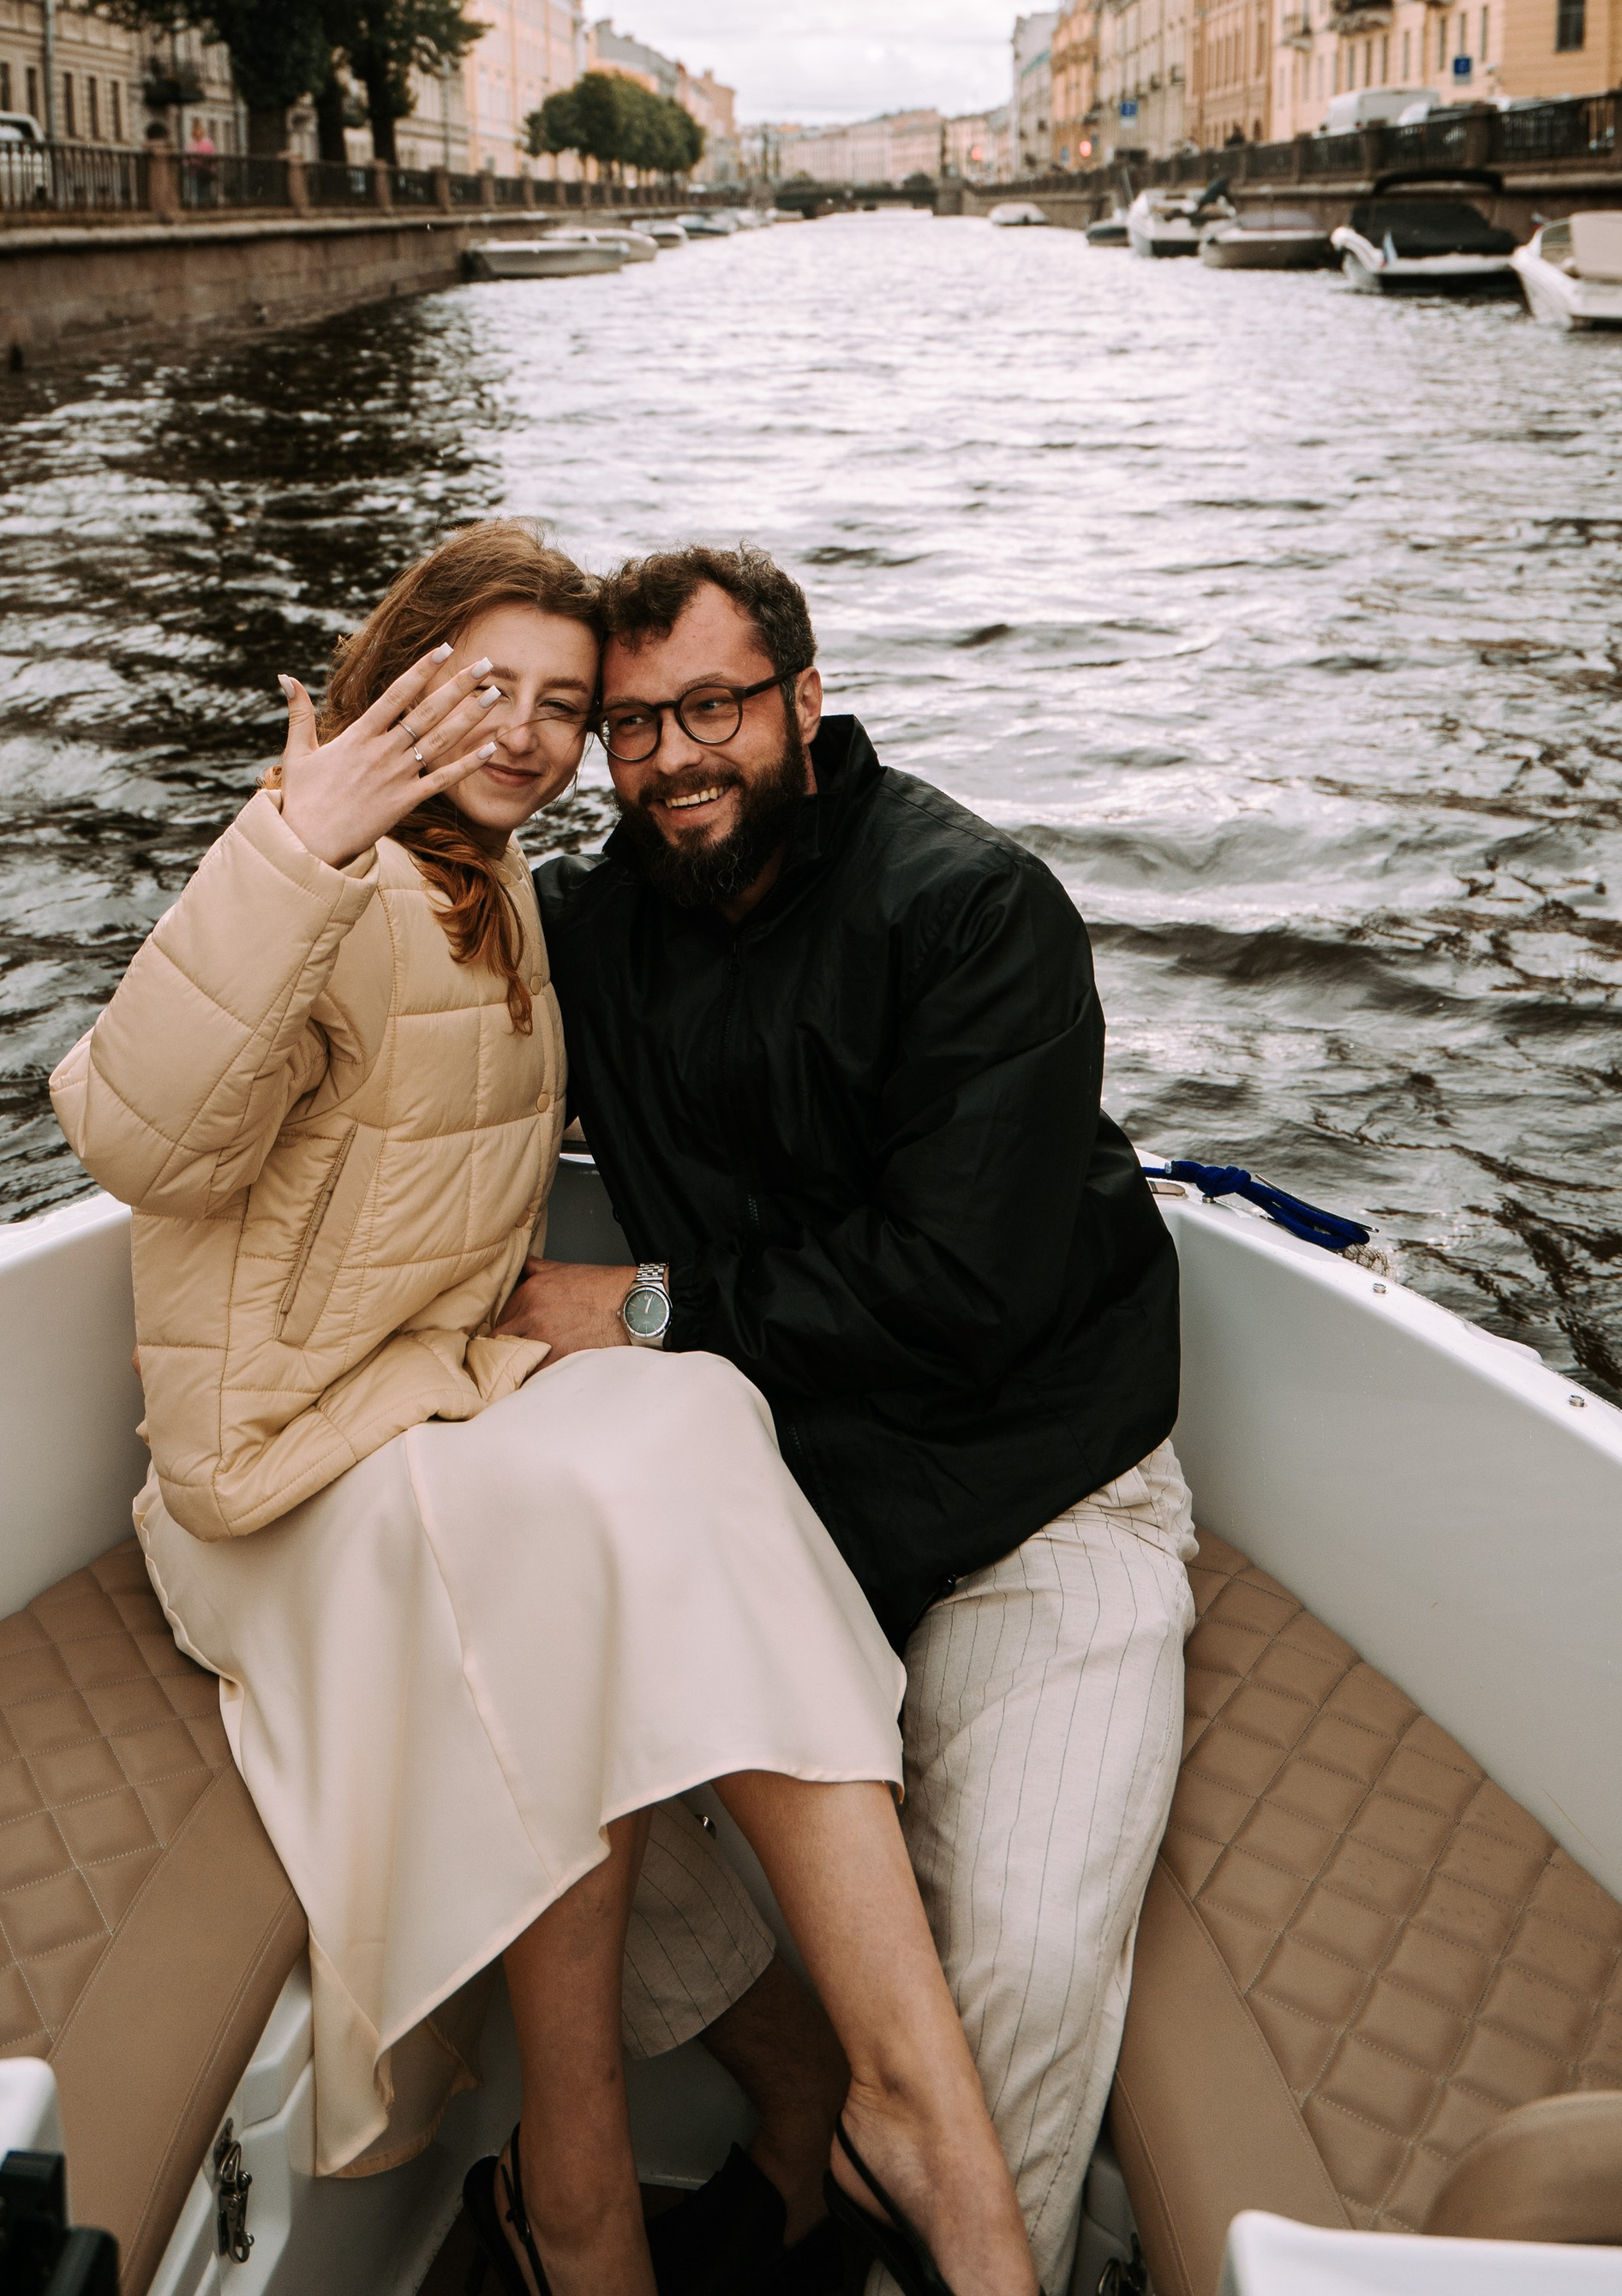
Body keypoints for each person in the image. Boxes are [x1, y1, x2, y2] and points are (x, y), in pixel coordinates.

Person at [50, 520, 1040, 2296]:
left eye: (562, 706)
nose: (521, 733)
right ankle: (621, 2181)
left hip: (420, 1409)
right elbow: (132, 1131)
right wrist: (288, 842)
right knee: (601, 1527)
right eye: (477, 688)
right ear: (393, 679)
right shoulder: (321, 867)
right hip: (268, 1489)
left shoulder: (508, 889)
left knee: (686, 1416)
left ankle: (869, 2114)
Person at [516, 545, 1194, 2296]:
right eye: (630, 726)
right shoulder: (591, 935)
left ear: (805, 703)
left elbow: (958, 1293)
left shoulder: (970, 907)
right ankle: (794, 2089)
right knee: (496, 1795)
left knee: (1019, 1972)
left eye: (714, 708)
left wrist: (641, 1309)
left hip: (1032, 1497)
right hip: (777, 1511)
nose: (671, 758)